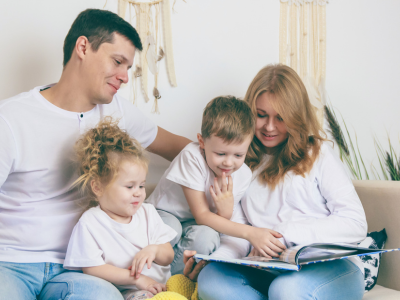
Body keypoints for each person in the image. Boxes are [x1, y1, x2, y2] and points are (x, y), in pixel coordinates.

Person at [0, 9, 190, 300]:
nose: (126, 77)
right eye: (118, 62)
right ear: (83, 47)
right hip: (10, 264)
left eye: (128, 67)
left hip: (77, 270)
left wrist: (240, 164)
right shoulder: (11, 119)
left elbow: (180, 148)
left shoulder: (118, 112)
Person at [185, 64, 368, 300]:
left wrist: (285, 235)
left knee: (286, 290)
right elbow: (239, 234)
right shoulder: (237, 162)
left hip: (330, 270)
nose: (269, 127)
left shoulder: (318, 153)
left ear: (295, 117)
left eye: (280, 118)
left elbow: (354, 223)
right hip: (270, 269)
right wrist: (214, 259)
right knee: (211, 280)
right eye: (261, 115)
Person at [147, 96, 281, 275]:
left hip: (193, 224)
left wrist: (225, 212)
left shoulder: (244, 175)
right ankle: (145, 274)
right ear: (202, 142)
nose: (228, 163)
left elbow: (216, 222)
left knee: (208, 237)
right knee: (172, 229)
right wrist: (251, 233)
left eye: (238, 155)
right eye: (220, 153)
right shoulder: (191, 157)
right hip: (163, 214)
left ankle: (170, 282)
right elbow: (202, 215)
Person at [63, 117, 176, 300]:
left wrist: (153, 250)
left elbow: (168, 255)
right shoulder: (91, 222)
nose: (138, 193)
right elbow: (92, 268)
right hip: (132, 292)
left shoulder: (147, 213)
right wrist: (137, 280)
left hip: (165, 287)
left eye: (141, 186)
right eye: (130, 187)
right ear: (98, 187)